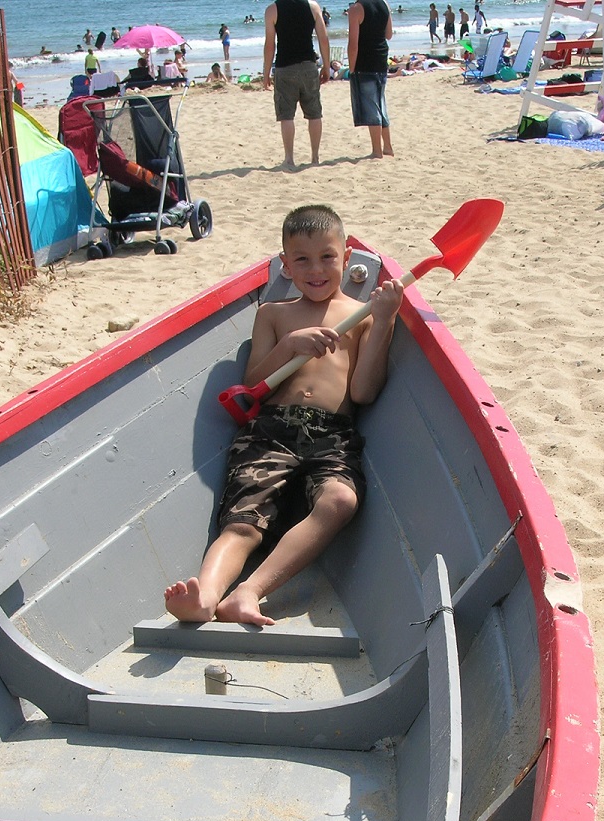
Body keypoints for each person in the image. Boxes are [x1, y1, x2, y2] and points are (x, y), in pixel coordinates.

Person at [163, 204, 404, 627]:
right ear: (285, 265)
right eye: (302, 259)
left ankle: (248, 593)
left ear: (346, 259)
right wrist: (289, 345)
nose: (316, 269)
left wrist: (383, 322)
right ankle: (205, 595)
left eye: (328, 257)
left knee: (341, 500)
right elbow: (255, 383)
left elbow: (363, 391)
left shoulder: (360, 318)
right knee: (243, 524)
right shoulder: (273, 315)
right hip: (269, 431)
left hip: (332, 434)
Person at [263, 0, 330, 169]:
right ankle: (315, 158)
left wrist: (266, 73)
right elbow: (323, 38)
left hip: (285, 67)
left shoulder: (273, 10)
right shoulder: (313, 7)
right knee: (314, 113)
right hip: (308, 64)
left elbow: (270, 45)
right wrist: (327, 66)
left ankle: (289, 159)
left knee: (286, 115)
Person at [348, 0, 394, 158]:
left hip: (365, 62)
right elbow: (389, 34)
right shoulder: (384, 4)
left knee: (371, 106)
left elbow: (353, 44)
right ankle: (387, 146)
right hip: (381, 58)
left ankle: (377, 150)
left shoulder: (355, 9)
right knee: (380, 103)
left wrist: (352, 68)